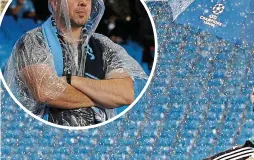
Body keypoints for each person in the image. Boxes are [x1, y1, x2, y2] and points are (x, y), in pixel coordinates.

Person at [5, 0, 148, 127]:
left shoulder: (104, 46)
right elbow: (46, 91)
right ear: (54, 3)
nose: (83, 3)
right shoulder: (34, 41)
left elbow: (126, 94)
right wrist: (105, 98)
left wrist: (71, 80)